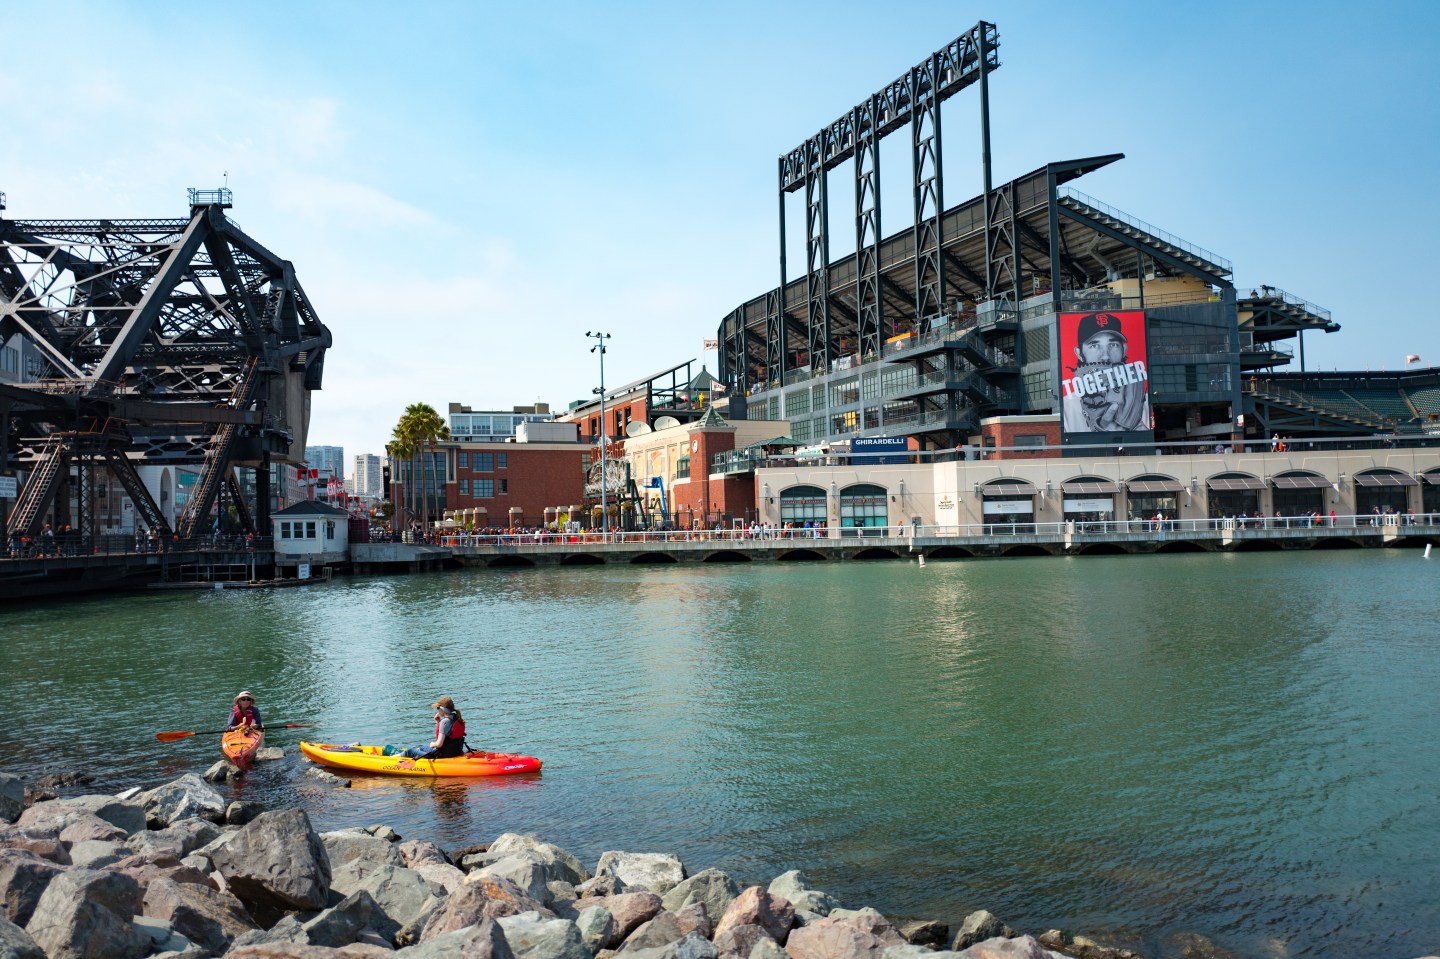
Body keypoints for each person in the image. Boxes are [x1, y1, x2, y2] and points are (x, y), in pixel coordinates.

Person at [1060, 312, 1151, 434]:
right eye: (1094, 346)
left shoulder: (1144, 401)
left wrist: (1139, 436)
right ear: (1079, 353)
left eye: (1113, 345)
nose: (1105, 356)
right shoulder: (1067, 406)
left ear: (1124, 350)